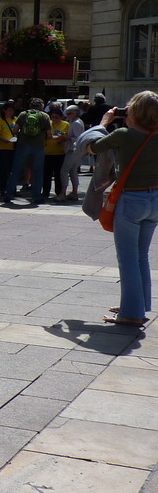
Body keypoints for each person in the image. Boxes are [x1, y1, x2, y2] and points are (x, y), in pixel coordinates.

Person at [89, 92, 158, 327]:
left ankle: (131, 313)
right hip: (155, 198)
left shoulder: (124, 134)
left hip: (132, 199)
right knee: (141, 256)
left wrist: (104, 122)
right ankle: (138, 304)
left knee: (127, 258)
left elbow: (93, 147)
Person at [4, 98, 51, 205]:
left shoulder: (23, 114)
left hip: (23, 145)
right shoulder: (45, 116)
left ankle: (9, 193)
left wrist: (24, 135)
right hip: (39, 146)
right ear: (41, 106)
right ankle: (36, 196)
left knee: (16, 170)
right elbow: (49, 135)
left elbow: (15, 131)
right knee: (38, 172)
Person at [42, 106, 70, 200]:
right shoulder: (48, 124)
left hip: (60, 153)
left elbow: (66, 137)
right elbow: (47, 136)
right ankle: (45, 192)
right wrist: (57, 137)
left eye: (57, 117)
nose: (54, 119)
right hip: (47, 152)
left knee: (58, 174)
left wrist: (60, 138)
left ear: (61, 117)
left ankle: (59, 192)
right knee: (46, 174)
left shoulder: (65, 124)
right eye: (53, 117)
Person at [58, 104, 86, 201]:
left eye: (69, 113)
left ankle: (63, 193)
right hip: (74, 149)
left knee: (64, 170)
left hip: (73, 150)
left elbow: (78, 138)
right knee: (73, 171)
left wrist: (66, 138)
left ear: (75, 114)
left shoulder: (77, 123)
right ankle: (74, 192)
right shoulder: (75, 122)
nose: (68, 115)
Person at [0, 102, 18, 195]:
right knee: (4, 170)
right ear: (4, 110)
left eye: (12, 110)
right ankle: (3, 189)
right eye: (9, 110)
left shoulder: (15, 119)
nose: (11, 112)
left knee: (13, 169)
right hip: (2, 148)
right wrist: (5, 140)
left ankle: (13, 189)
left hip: (13, 147)